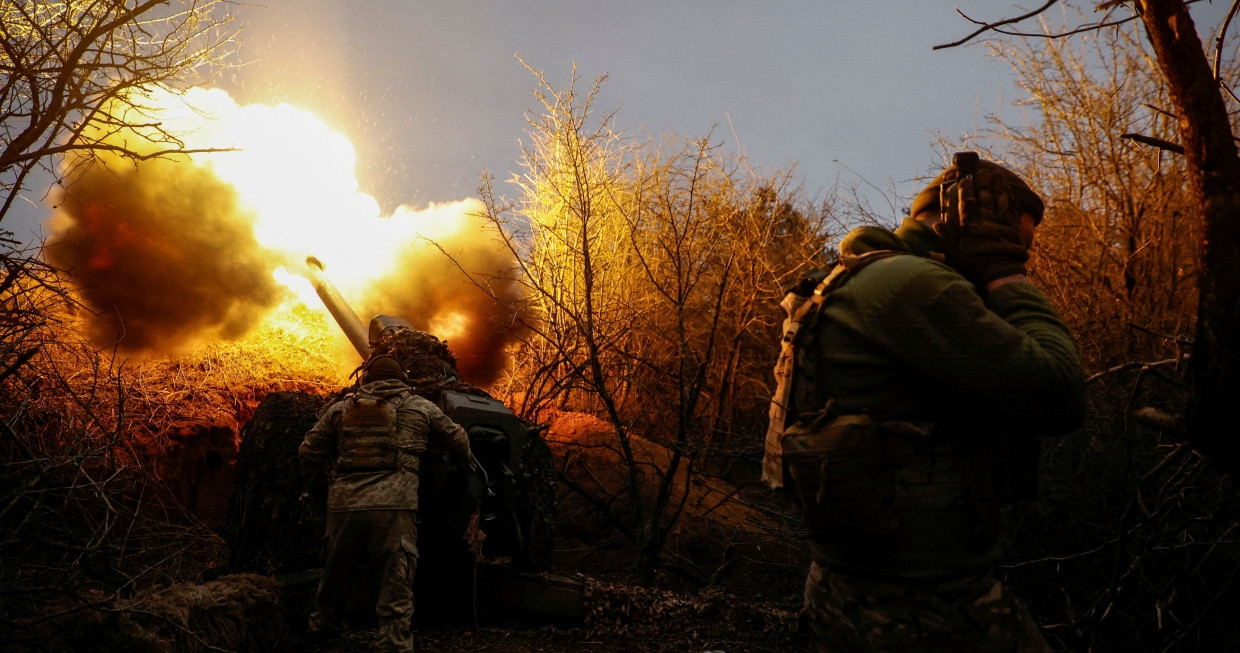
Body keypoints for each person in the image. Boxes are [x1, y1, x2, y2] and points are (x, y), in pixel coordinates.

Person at [764, 153, 1085, 652]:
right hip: (923, 605)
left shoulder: (854, 279)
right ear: (971, 222)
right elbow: (1060, 393)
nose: (1022, 257)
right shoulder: (914, 286)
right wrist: (1005, 273)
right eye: (1016, 240)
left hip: (846, 587)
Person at [299, 354, 473, 652]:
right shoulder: (420, 408)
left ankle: (323, 636)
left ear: (365, 380)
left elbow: (308, 452)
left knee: (335, 577)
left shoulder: (340, 410)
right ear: (401, 380)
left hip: (344, 507)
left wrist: (320, 493)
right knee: (395, 582)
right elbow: (460, 443)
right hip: (395, 508)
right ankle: (393, 643)